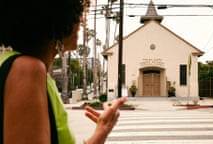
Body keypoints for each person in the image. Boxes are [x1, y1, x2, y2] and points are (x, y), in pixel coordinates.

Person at [0, 0, 126, 144]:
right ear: (52, 16)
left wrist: (102, 131)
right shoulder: (27, 70)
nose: (82, 19)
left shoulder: (13, 66)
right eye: (76, 10)